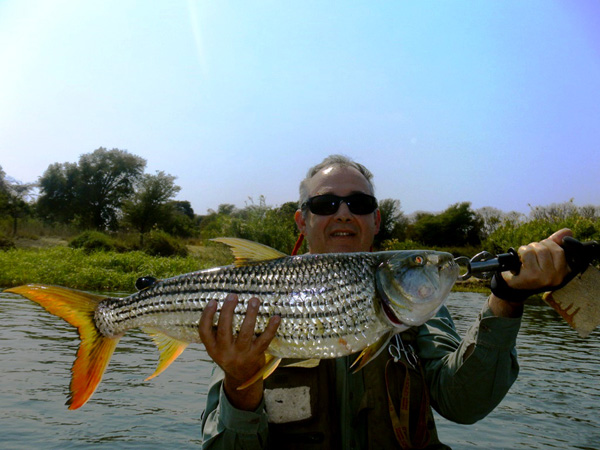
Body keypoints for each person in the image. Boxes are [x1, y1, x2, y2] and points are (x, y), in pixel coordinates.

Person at [199, 155, 571, 449]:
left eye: (358, 203)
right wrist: (241, 382)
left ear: (375, 219)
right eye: (326, 203)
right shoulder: (252, 302)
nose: (343, 212)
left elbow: (465, 403)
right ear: (302, 220)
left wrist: (506, 299)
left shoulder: (420, 308)